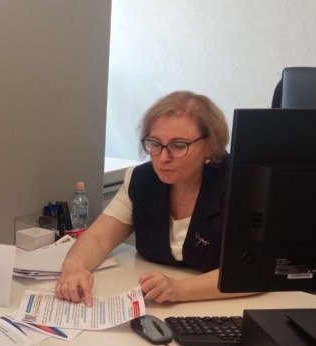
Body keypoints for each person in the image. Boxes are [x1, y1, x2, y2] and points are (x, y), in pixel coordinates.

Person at [57, 90, 250, 306]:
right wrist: (74, 268)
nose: (163, 157)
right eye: (155, 144)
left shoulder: (242, 183)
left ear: (209, 146)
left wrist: (179, 289)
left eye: (178, 145)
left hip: (225, 308)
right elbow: (98, 238)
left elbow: (251, 271)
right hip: (157, 307)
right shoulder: (141, 179)